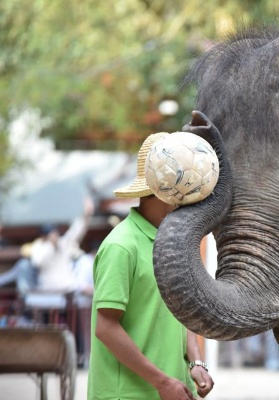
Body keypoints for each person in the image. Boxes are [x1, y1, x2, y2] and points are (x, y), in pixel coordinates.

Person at [88, 132, 214, 400]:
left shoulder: (179, 244)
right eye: (181, 189)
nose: (188, 200)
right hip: (129, 394)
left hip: (174, 390)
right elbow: (106, 328)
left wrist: (196, 362)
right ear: (156, 191)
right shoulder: (121, 246)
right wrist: (161, 382)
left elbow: (184, 310)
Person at [30, 197, 94, 292]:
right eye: (50, 234)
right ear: (43, 236)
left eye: (55, 233)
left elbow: (75, 231)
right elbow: (38, 262)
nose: (54, 236)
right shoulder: (38, 246)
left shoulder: (62, 243)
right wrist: (51, 246)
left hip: (69, 286)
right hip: (49, 287)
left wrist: (86, 214)